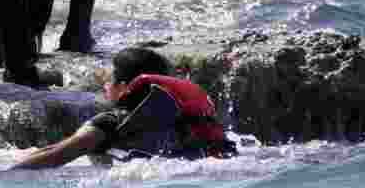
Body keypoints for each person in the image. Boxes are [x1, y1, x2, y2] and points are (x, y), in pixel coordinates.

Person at [13, 47, 237, 169]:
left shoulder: (111, 120)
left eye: (110, 80)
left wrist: (2, 174)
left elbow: (56, 157)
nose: (105, 86)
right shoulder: (183, 115)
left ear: (123, 87)